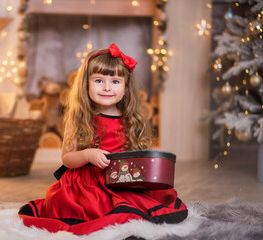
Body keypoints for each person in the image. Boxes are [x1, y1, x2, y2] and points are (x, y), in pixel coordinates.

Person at [18, 43, 188, 235]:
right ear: (86, 84)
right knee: (96, 206)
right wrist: (88, 155)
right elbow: (67, 158)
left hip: (120, 180)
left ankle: (129, 225)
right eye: (99, 80)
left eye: (115, 81)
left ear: (125, 87)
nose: (107, 88)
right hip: (87, 182)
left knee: (141, 201)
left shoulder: (130, 120)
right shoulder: (79, 119)